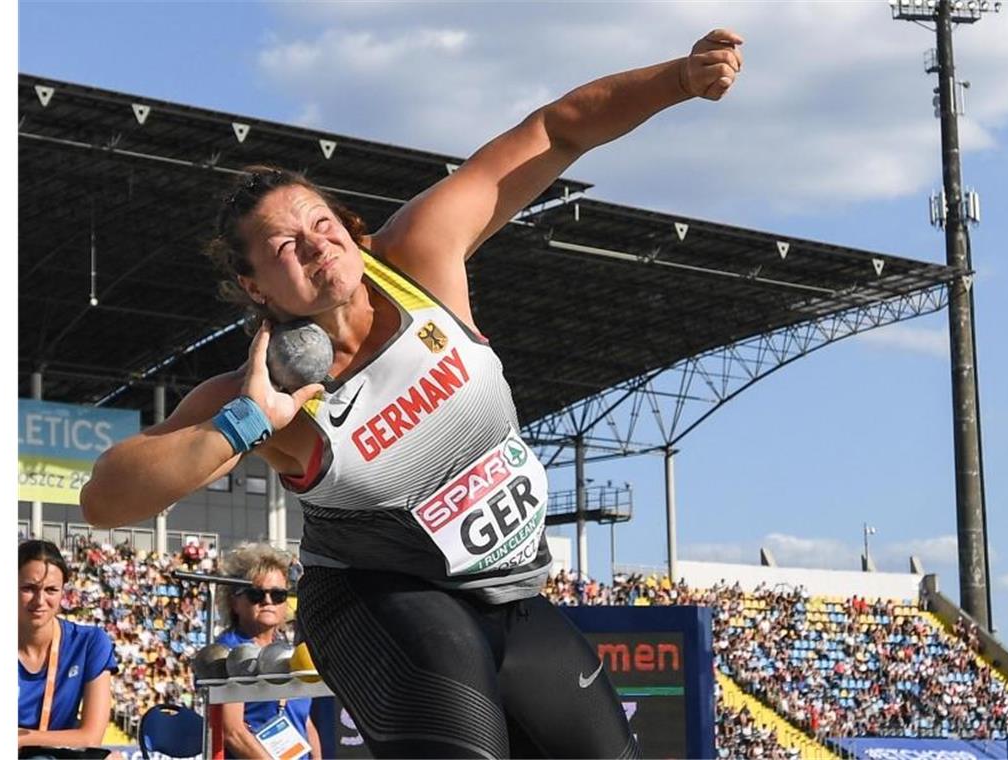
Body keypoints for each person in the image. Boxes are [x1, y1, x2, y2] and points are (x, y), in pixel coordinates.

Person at [82, 26, 743, 758]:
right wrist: (243, 422)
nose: (314, 244)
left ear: (350, 230)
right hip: (378, 603)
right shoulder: (264, 392)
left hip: (509, 597)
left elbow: (556, 130)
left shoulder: (421, 260)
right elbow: (106, 500)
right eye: (283, 247)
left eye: (321, 223)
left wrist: (678, 80)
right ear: (253, 287)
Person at [215, 543, 322, 759]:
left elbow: (303, 718)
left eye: (278, 595)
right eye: (256, 594)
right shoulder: (227, 652)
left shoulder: (287, 650)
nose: (268, 601)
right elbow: (233, 732)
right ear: (234, 602)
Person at [18, 540, 118, 752]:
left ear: (63, 592)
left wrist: (21, 739)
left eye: (51, 590)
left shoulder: (89, 643)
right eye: (28, 588)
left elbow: (91, 737)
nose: (39, 600)